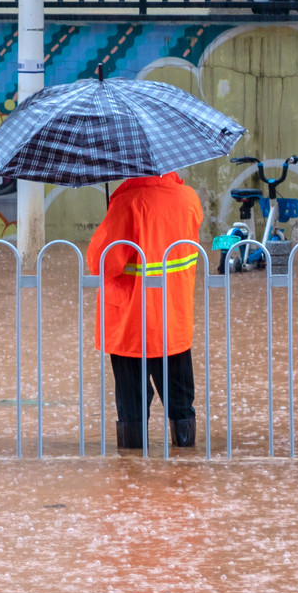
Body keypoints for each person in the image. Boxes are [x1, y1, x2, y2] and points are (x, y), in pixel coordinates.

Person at [86, 171, 206, 450]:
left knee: (132, 407)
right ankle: (185, 471)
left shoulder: (128, 203)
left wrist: (110, 217)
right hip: (174, 323)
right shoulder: (189, 198)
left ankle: (132, 477)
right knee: (181, 403)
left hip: (132, 326)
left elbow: (101, 262)